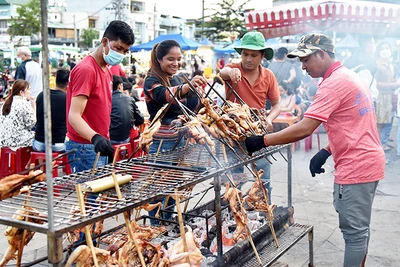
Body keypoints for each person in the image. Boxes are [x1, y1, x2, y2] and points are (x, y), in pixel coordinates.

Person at [245, 33, 385, 267]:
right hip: (369, 162)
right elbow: (356, 125)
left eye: (306, 59)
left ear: (322, 54)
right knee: (360, 232)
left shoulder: (333, 83)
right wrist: (327, 151)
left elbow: (305, 128)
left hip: (356, 169)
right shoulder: (349, 76)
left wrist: (262, 141)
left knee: (354, 235)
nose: (302, 66)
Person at [144, 39, 207, 224]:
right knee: (158, 189)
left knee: (174, 188)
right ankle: (156, 228)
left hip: (181, 142)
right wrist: (188, 88)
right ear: (160, 60)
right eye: (171, 59)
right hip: (161, 143)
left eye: (179, 59)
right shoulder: (151, 80)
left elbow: (192, 103)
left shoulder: (179, 78)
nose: (176, 63)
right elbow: (165, 95)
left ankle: (168, 224)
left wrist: (201, 100)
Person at [65, 20, 135, 173]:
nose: (121, 54)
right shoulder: (86, 69)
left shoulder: (107, 70)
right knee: (91, 195)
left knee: (100, 195)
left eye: (125, 51)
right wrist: (95, 137)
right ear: (105, 42)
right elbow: (74, 115)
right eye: (118, 48)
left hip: (98, 142)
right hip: (84, 146)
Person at [219, 30, 281, 199]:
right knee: (234, 179)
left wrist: (269, 118)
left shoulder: (269, 76)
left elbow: (277, 105)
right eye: (245, 54)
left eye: (254, 55)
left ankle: (263, 209)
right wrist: (229, 73)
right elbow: (222, 73)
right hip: (233, 132)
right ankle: (233, 211)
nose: (248, 59)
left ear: (262, 56)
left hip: (258, 131)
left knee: (263, 177)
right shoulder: (233, 69)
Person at [33, 68, 69, 152]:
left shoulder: (41, 95)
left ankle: (42, 165)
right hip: (59, 144)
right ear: (68, 84)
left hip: (39, 143)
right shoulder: (67, 99)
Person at [374, 42, 400, 154]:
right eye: (383, 48)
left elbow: (390, 80)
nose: (386, 51)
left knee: (388, 121)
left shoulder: (390, 64)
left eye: (387, 48)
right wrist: (393, 85)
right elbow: (376, 83)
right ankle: (378, 148)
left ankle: (382, 144)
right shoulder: (377, 64)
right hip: (380, 97)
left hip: (389, 97)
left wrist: (395, 82)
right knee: (380, 123)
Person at [0, 80, 35, 149]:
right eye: (29, 90)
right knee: (39, 140)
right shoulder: (23, 103)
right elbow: (31, 124)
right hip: (16, 140)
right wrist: (34, 106)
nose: (30, 92)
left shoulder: (6, 103)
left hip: (3, 139)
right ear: (21, 92)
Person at [343, 35, 378, 103]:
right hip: (365, 98)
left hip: (351, 96)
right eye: (372, 42)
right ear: (366, 44)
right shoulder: (370, 60)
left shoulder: (349, 59)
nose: (373, 45)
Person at [110, 75, 139, 144]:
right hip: (125, 138)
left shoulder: (107, 100)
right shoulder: (130, 99)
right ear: (119, 86)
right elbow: (140, 119)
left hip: (110, 139)